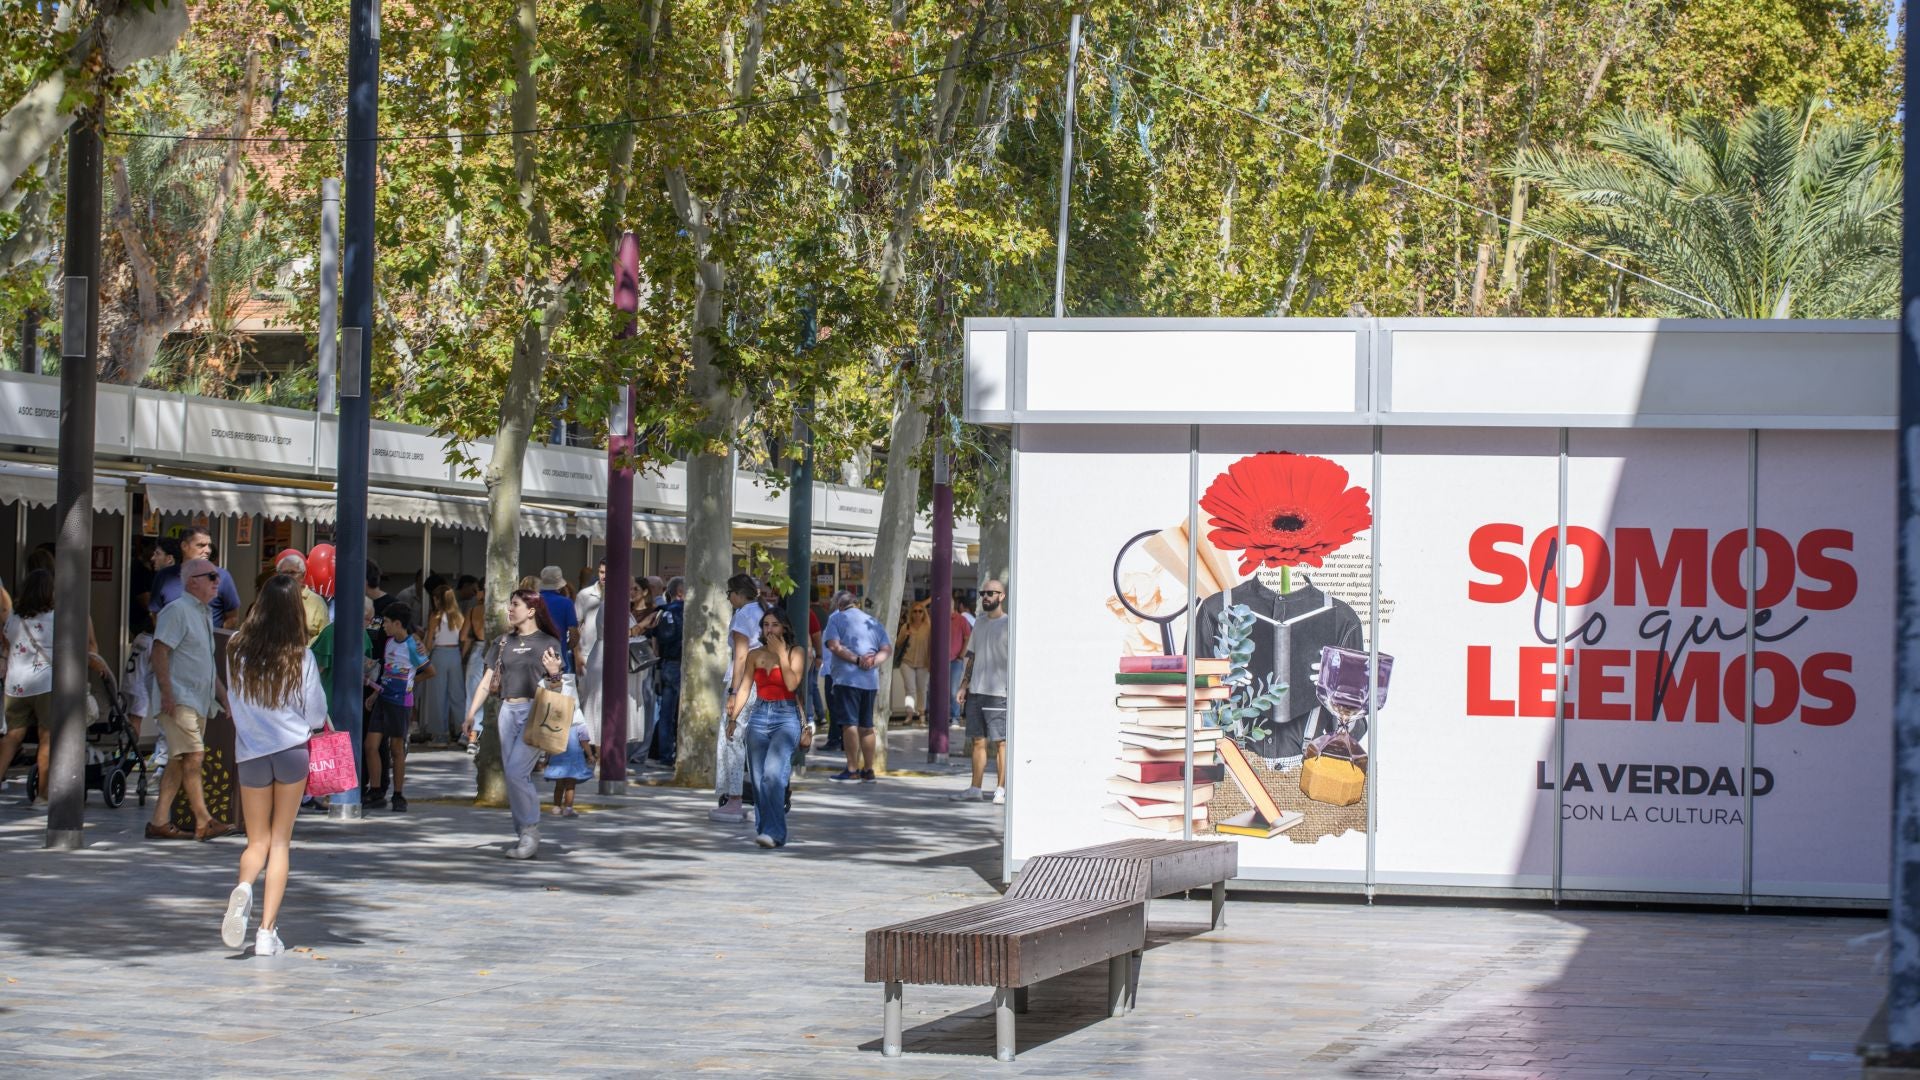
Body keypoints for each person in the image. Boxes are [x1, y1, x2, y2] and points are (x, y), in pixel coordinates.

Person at [218, 574, 327, 957]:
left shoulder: (235, 648)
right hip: (292, 751)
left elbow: (235, 696)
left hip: (251, 752)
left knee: (256, 841)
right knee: (280, 842)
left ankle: (244, 888)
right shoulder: (301, 656)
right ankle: (266, 932)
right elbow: (316, 715)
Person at [464, 589, 565, 859]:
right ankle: (523, 831)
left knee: (517, 772)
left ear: (531, 610)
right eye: (510, 604)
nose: (510, 609)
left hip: (535, 711)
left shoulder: (548, 642)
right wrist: (471, 713)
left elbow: (557, 687)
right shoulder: (502, 642)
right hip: (507, 710)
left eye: (516, 604)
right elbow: (486, 681)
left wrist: (555, 674)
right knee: (512, 773)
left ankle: (530, 830)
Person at [0, 569, 107, 804]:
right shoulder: (60, 618)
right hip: (46, 684)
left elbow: (6, 644)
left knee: (12, 737)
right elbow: (86, 650)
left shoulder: (14, 619)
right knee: (47, 739)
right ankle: (43, 794)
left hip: (16, 686)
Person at [147, 559, 232, 839]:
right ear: (192, 580)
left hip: (198, 698)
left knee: (179, 758)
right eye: (211, 576)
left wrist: (224, 697)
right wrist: (167, 694)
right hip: (179, 698)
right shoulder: (178, 610)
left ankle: (159, 822)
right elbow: (159, 652)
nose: (216, 581)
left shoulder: (204, 613)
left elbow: (206, 663)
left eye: (216, 576)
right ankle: (203, 820)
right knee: (194, 755)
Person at [725, 605, 809, 848]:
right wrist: (734, 719)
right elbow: (744, 687)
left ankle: (774, 832)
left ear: (784, 627)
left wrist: (782, 655)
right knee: (760, 778)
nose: (769, 629)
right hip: (760, 715)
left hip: (786, 715)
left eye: (774, 624)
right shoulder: (754, 655)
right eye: (765, 625)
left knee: (773, 776)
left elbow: (792, 684)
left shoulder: (796, 651)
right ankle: (766, 831)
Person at [364, 603, 429, 812]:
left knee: (396, 749)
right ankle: (375, 790)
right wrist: (375, 694)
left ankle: (398, 794)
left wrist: (409, 683)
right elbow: (386, 671)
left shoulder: (412, 644)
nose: (384, 626)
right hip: (383, 698)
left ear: (398, 623)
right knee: (371, 745)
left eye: (387, 623)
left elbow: (429, 671)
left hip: (400, 703)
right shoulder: (390, 643)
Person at [823, 589, 890, 783]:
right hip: (870, 682)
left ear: (838, 605)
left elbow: (834, 646)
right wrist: (873, 661)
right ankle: (868, 770)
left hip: (847, 679)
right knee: (867, 725)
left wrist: (857, 659)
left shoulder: (836, 619)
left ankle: (851, 769)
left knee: (849, 724)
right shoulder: (874, 622)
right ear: (856, 603)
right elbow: (887, 649)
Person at [952, 579, 1011, 803]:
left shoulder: (1009, 624)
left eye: (991, 593)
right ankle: (975, 789)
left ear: (1001, 596)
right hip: (977, 690)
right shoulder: (980, 623)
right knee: (978, 740)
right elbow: (972, 655)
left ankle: (1001, 790)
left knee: (1001, 743)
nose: (985, 596)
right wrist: (964, 685)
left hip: (1000, 692)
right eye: (982, 593)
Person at [714, 574, 765, 821]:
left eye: (728, 594)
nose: (729, 599)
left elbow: (741, 657)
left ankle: (734, 798)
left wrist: (734, 693)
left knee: (732, 737)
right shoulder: (767, 612)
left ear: (736, 594)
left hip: (745, 683)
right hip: (766, 683)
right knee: (759, 741)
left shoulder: (743, 615)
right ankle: (763, 798)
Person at [151, 527, 243, 628]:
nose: (207, 550)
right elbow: (156, 614)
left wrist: (214, 639)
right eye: (201, 545)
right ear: (184, 546)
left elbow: (232, 617)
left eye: (209, 546)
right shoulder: (164, 576)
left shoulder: (222, 576)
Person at [417, 584, 467, 747]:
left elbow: (430, 641)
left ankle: (440, 735)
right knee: (457, 694)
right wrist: (462, 655)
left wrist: (424, 652)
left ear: (438, 599)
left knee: (438, 696)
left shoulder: (436, 616)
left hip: (439, 654)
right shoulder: (459, 616)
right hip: (455, 655)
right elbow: (465, 639)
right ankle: (462, 732)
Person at [644, 577, 685, 767]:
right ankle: (678, 753)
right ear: (681, 592)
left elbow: (655, 640)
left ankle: (665, 754)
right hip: (683, 663)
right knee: (682, 710)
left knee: (666, 711)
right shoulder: (689, 612)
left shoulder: (663, 611)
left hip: (668, 663)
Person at [543, 707, 596, 818]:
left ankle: (556, 807)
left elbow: (550, 742)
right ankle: (568, 808)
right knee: (570, 785)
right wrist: (590, 755)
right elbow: (584, 742)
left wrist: (547, 758)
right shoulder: (580, 726)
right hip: (574, 760)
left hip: (558, 758)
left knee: (559, 784)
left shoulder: (556, 724)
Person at [273, 550, 330, 645]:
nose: (288, 577)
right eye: (284, 573)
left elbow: (325, 637)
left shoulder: (316, 602)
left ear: (303, 576)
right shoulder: (272, 598)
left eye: (292, 573)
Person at [537, 566, 579, 675]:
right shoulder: (566, 603)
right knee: (556, 689)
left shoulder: (532, 601)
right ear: (559, 585)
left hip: (534, 656)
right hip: (558, 657)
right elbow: (574, 634)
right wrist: (565, 646)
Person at [898, 599, 933, 726]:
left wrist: (930, 599)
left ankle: (922, 715)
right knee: (910, 689)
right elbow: (897, 644)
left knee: (922, 689)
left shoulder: (928, 625)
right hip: (907, 662)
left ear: (924, 613)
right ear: (911, 613)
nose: (917, 614)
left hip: (923, 663)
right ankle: (909, 715)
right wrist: (904, 636)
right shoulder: (905, 626)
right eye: (914, 611)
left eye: (920, 611)